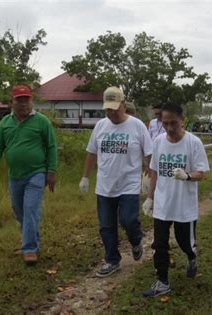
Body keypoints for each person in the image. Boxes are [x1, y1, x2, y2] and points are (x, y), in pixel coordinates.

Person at [79, 86, 153, 277]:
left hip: (128, 183)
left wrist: (151, 177)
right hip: (104, 185)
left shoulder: (137, 126)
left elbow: (149, 155)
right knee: (106, 226)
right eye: (107, 109)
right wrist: (85, 177)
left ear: (123, 103)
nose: (111, 112)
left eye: (114, 107)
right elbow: (91, 152)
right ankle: (112, 260)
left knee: (128, 220)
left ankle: (136, 241)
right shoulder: (101, 126)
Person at [141, 102, 210, 297]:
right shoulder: (159, 141)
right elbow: (154, 171)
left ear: (183, 121)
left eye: (174, 123)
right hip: (163, 203)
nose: (170, 128)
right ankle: (162, 281)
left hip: (184, 205)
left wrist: (187, 175)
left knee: (184, 242)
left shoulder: (193, 142)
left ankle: (191, 257)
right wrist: (150, 198)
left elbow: (201, 173)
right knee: (159, 243)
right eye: (165, 123)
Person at [0, 84, 58, 265]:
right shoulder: (5, 123)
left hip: (37, 173)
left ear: (31, 101)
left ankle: (30, 249)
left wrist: (51, 171)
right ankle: (31, 240)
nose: (24, 104)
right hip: (15, 175)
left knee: (30, 209)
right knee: (19, 211)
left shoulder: (42, 121)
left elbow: (51, 147)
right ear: (12, 102)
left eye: (27, 100)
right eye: (20, 100)